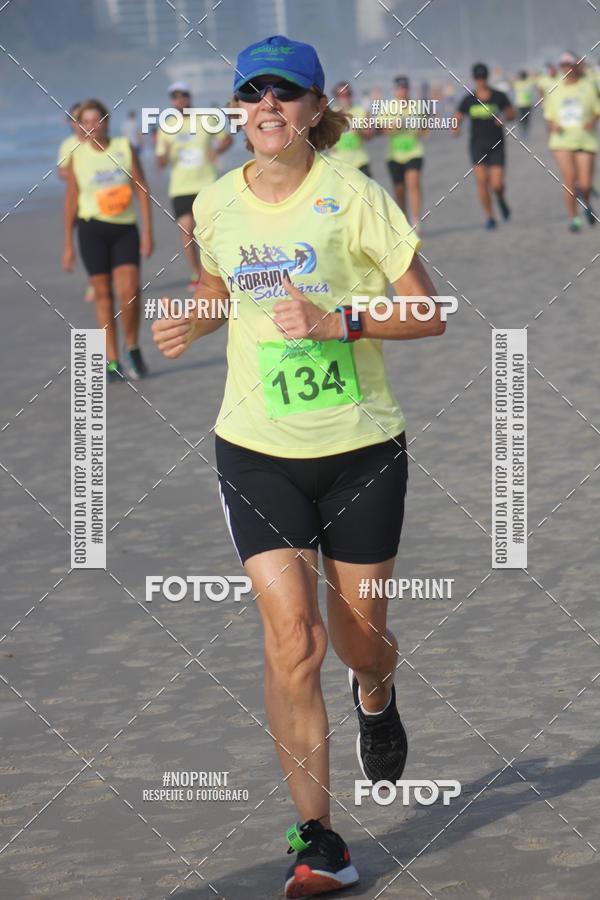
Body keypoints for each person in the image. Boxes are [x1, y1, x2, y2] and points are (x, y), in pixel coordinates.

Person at [152, 33, 446, 898]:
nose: (268, 107)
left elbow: (428, 314)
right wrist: (195, 321)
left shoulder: (355, 198)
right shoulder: (213, 204)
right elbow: (222, 291)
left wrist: (337, 323)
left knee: (358, 640)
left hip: (360, 449)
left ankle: (379, 693)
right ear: (237, 110)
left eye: (287, 94)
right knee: (294, 643)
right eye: (253, 94)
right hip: (255, 450)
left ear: (317, 110)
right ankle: (320, 840)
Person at [62, 98, 153, 380]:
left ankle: (133, 347)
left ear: (106, 121)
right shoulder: (78, 155)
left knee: (130, 293)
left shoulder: (123, 147)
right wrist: (68, 245)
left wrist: (148, 232)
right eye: (85, 122)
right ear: (80, 126)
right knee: (103, 297)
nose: (92, 126)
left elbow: (141, 189)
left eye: (96, 120)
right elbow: (72, 201)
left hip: (124, 229)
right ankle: (112, 360)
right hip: (92, 231)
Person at [156, 81, 232, 290]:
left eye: (183, 95)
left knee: (211, 230)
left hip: (206, 184)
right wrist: (166, 152)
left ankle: (218, 270)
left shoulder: (205, 119)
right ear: (171, 100)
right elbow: (160, 161)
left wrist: (216, 151)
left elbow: (227, 139)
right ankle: (196, 273)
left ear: (189, 97)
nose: (179, 100)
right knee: (186, 228)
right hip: (180, 188)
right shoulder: (167, 126)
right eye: (175, 96)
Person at [454, 62, 515, 229]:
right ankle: (490, 217)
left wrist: (503, 116)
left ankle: (501, 199)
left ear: (487, 78)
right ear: (474, 79)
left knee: (496, 185)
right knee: (482, 182)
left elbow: (512, 113)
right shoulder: (469, 100)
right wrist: (456, 128)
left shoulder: (499, 96)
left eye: (483, 77)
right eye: (477, 78)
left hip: (497, 145)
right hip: (477, 146)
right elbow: (457, 118)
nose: (480, 81)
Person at [544, 51, 600, 231]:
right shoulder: (554, 87)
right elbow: (548, 116)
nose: (566, 69)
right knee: (569, 180)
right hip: (562, 141)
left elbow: (597, 109)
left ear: (576, 66)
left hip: (585, 139)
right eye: (563, 66)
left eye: (569, 65)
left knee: (584, 184)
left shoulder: (589, 85)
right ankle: (573, 219)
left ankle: (587, 205)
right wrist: (553, 126)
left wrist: (592, 121)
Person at [381, 76, 426, 231]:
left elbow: (424, 131)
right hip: (394, 154)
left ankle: (415, 219)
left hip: (414, 151)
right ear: (395, 90)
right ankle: (404, 219)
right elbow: (382, 130)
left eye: (405, 88)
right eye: (400, 88)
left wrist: (421, 128)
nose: (403, 91)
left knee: (413, 182)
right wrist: (395, 125)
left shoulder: (417, 107)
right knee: (399, 190)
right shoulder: (387, 107)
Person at [328, 81, 373, 175]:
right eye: (341, 95)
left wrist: (359, 131)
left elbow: (369, 136)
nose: (345, 98)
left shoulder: (361, 111)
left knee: (366, 189)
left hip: (359, 161)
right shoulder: (331, 115)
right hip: (339, 163)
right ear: (336, 97)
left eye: (348, 94)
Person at [56, 102, 82, 181]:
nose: (79, 122)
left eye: (82, 118)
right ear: (69, 122)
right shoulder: (67, 144)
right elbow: (61, 172)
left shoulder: (100, 139)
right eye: (75, 119)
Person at [512, 69, 535, 136]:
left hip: (528, 104)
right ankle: (521, 130)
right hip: (519, 104)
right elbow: (510, 83)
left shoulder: (529, 82)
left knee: (527, 119)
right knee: (520, 118)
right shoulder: (517, 83)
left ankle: (525, 131)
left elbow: (534, 78)